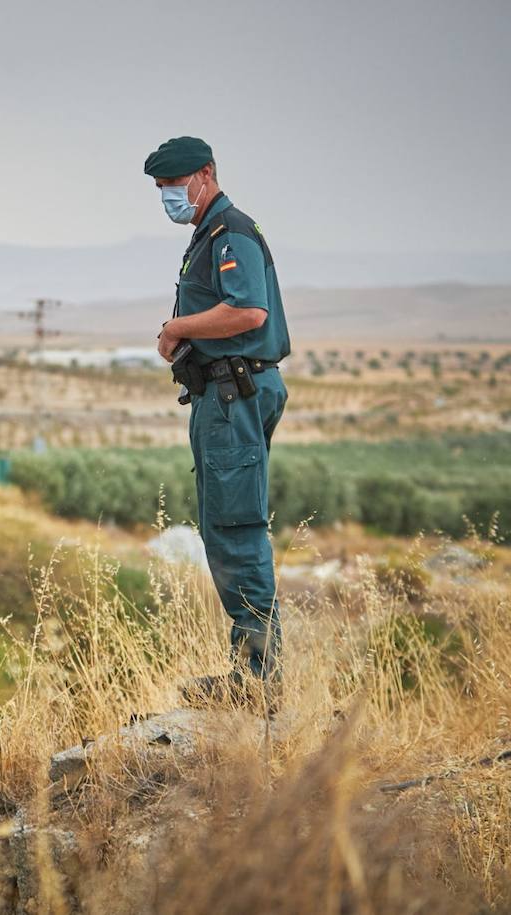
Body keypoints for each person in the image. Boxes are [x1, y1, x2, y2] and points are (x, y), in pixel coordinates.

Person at [143, 136, 292, 714]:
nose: (169, 197)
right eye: (161, 190)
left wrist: (179, 329)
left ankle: (256, 681)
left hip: (235, 395)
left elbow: (247, 312)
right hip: (225, 394)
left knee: (236, 527)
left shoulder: (231, 234)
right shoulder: (207, 236)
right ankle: (250, 671)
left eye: (174, 185)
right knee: (228, 526)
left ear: (205, 174)